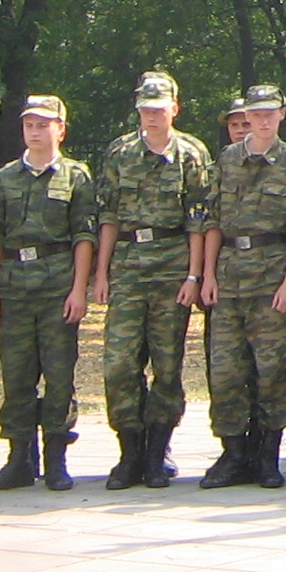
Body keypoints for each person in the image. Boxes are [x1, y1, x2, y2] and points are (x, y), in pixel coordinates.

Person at [96, 70, 212, 490]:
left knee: (166, 363)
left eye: (158, 109)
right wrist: (102, 273)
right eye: (145, 109)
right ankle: (129, 450)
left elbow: (198, 220)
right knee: (119, 363)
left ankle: (156, 452)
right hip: (128, 265)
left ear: (174, 109)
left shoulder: (191, 154)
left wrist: (194, 274)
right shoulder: (120, 153)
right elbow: (108, 215)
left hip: (172, 265)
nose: (151, 116)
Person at [0, 94, 98, 493]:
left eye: (44, 124)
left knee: (60, 374)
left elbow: (83, 236)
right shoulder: (4, 178)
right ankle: (18, 459)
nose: (35, 131)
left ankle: (57, 458)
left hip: (57, 286)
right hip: (14, 287)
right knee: (16, 376)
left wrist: (79, 289)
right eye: (29, 124)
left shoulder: (76, 176)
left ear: (60, 129)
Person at [200, 83, 286, 489]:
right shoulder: (227, 159)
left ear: (282, 114)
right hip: (229, 276)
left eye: (271, 112)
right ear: (246, 116)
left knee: (270, 371)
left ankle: (267, 456)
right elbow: (212, 221)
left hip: (271, 277)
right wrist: (207, 276)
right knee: (227, 370)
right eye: (256, 113)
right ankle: (233, 454)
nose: (263, 120)